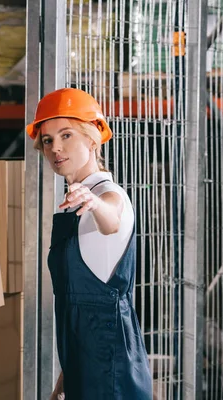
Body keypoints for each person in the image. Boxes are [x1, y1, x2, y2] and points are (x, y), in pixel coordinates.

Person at [26, 88, 152, 399]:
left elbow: (112, 220)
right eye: (47, 140)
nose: (56, 147)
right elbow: (79, 317)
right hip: (85, 366)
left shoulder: (108, 194)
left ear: (93, 138)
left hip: (113, 371)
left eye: (66, 135)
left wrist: (95, 203)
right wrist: (66, 378)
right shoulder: (75, 202)